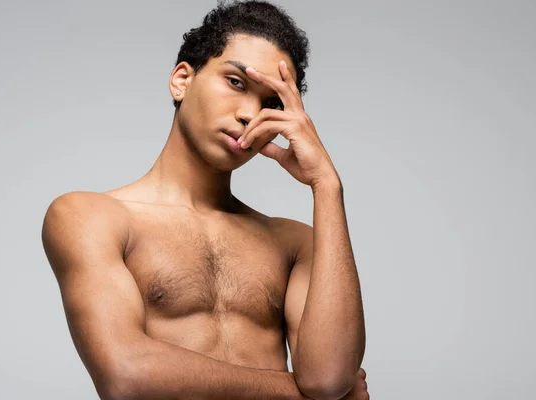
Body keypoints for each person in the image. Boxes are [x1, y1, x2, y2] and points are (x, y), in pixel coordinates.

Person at [41, 1, 367, 399]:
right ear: (182, 80)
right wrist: (292, 392)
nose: (250, 113)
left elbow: (329, 380)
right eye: (236, 82)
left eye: (272, 104)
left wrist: (327, 186)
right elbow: (126, 375)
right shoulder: (91, 216)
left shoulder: (296, 244)